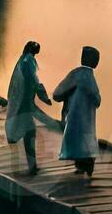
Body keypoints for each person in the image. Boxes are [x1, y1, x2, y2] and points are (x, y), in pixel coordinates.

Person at [5, 40, 53, 174]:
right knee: (30, 132)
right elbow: (34, 80)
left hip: (22, 100)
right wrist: (44, 97)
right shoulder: (29, 61)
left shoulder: (22, 60)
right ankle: (32, 167)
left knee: (26, 132)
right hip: (24, 102)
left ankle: (30, 165)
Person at [53, 46, 102, 176]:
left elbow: (58, 92)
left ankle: (81, 164)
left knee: (75, 137)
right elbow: (96, 98)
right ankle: (86, 164)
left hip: (73, 113)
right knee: (85, 137)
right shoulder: (89, 77)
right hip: (86, 116)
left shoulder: (75, 74)